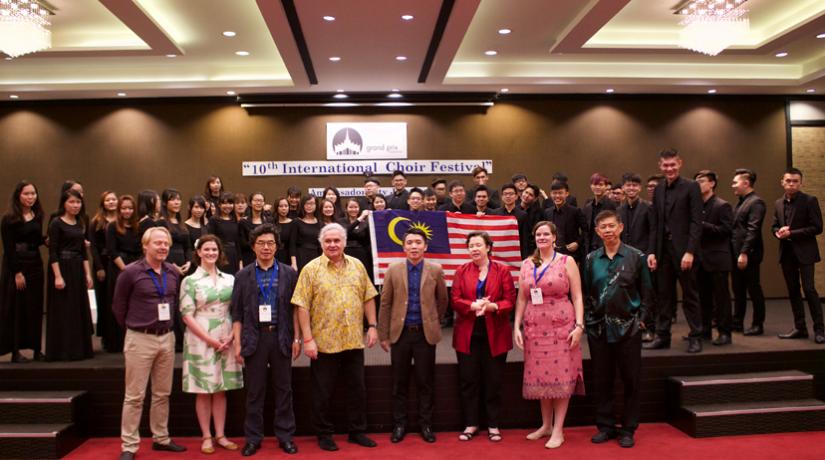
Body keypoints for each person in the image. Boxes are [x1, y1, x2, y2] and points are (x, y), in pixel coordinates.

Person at [292, 223, 379, 452]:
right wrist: (307, 339)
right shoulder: (310, 269)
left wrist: (372, 325)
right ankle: (324, 433)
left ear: (343, 242)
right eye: (328, 241)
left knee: (357, 389)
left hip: (352, 340)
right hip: (323, 343)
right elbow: (301, 306)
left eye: (336, 241)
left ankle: (357, 431)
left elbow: (368, 296)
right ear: (321, 244)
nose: (332, 245)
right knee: (322, 393)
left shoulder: (357, 266)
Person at [113, 226, 186, 459]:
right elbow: (118, 307)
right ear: (145, 245)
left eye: (166, 243)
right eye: (158, 243)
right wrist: (135, 328)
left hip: (166, 338)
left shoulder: (173, 272)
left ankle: (161, 438)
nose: (163, 247)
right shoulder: (130, 272)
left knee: (162, 393)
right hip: (139, 338)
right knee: (134, 396)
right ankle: (129, 445)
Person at [582, 210, 653, 449]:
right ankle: (606, 426)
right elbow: (585, 292)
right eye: (603, 227)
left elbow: (647, 292)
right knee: (602, 380)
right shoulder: (591, 259)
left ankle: (629, 428)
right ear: (597, 232)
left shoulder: (636, 257)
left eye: (612, 226)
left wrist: (641, 320)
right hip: (598, 330)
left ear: (621, 227)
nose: (608, 230)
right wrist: (588, 320)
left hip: (628, 329)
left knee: (631, 380)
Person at [230, 224, 300, 456]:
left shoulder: (289, 273)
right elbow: (237, 313)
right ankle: (253, 438)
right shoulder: (243, 275)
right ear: (253, 246)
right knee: (254, 392)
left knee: (284, 389)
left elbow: (296, 310)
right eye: (261, 243)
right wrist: (238, 344)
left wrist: (297, 338)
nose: (266, 247)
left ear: (277, 246)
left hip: (281, 336)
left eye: (271, 243)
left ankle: (285, 436)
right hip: (254, 338)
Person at [514, 221, 584, 449]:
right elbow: (522, 298)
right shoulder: (526, 264)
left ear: (555, 237)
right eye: (538, 234)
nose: (542, 237)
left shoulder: (567, 261)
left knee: (561, 377)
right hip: (534, 327)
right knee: (542, 376)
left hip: (562, 325)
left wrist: (579, 325)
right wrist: (516, 327)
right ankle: (545, 425)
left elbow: (578, 296)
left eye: (546, 234)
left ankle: (558, 430)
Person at [378, 228, 448, 444]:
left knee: (425, 382)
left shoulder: (436, 270)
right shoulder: (393, 269)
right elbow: (386, 302)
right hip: (400, 335)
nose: (414, 246)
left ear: (425, 246)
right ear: (404, 246)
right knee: (399, 382)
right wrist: (383, 334)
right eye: (410, 242)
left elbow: (443, 300)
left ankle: (426, 424)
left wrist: (432, 320)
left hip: (425, 335)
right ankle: (400, 425)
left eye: (418, 242)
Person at [451, 231, 516, 443]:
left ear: (488, 247)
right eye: (471, 246)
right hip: (468, 334)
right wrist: (471, 305)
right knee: (468, 380)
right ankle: (471, 424)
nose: (474, 249)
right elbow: (455, 299)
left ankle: (493, 424)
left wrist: (493, 306)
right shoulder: (461, 271)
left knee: (493, 381)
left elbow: (510, 300)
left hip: (495, 334)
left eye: (479, 245)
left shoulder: (502, 270)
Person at [180, 235, 242, 454]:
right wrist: (210, 340)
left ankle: (221, 435)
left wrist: (231, 338)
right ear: (198, 252)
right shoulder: (190, 281)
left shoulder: (230, 279)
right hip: (200, 339)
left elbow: (237, 310)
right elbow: (187, 316)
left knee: (221, 389)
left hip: (226, 336)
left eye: (214, 249)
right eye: (206, 249)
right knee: (204, 389)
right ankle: (206, 436)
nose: (210, 253)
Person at [645, 149, 704, 353]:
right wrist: (651, 252)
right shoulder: (659, 189)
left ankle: (696, 336)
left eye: (673, 165)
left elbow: (697, 222)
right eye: (665, 165)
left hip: (685, 252)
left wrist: (690, 251)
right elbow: (655, 224)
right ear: (660, 166)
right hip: (663, 252)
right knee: (664, 296)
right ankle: (663, 336)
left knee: (690, 295)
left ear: (680, 163)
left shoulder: (692, 186)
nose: (669, 169)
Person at [772, 167, 824, 343]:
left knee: (809, 290)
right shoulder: (778, 203)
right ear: (782, 182)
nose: (791, 184)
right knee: (793, 291)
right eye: (788, 181)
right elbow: (774, 226)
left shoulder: (810, 200)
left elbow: (817, 227)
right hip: (787, 253)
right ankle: (800, 328)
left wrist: (792, 233)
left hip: (806, 253)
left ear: (801, 183)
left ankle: (820, 330)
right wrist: (778, 232)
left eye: (795, 181)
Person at [45, 188, 94, 361]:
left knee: (77, 308)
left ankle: (79, 349)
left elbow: (82, 252)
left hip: (77, 268)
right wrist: (57, 276)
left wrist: (88, 274)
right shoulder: (56, 223)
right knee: (64, 309)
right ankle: (62, 351)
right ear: (64, 204)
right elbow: (53, 252)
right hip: (62, 268)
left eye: (78, 202)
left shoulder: (80, 223)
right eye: (71, 202)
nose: (75, 205)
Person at [1, 181, 45, 362]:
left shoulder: (37, 215)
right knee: (16, 308)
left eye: (33, 193)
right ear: (18, 195)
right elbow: (9, 248)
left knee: (34, 307)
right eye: (27, 194)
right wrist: (17, 272)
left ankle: (36, 349)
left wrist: (47, 240)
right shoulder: (9, 218)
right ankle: (15, 351)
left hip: (35, 263)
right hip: (17, 266)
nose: (30, 197)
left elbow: (34, 240)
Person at [694, 171, 733, 346]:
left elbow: (726, 230)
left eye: (701, 181)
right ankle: (705, 331)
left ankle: (725, 333)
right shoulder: (695, 206)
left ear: (712, 184)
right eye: (696, 181)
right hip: (700, 258)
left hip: (718, 258)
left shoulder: (722, 205)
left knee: (721, 299)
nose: (698, 184)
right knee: (703, 297)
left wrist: (702, 225)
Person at [617, 173, 655, 341]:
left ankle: (649, 328)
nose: (631, 188)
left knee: (646, 294)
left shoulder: (648, 207)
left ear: (639, 188)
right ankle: (631, 327)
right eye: (628, 185)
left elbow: (653, 232)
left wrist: (651, 253)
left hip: (644, 257)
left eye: (634, 185)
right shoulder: (619, 210)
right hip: (625, 257)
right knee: (627, 293)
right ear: (623, 188)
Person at [730, 168, 767, 336]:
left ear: (746, 183)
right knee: (738, 290)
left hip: (748, 254)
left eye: (735, 182)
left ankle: (758, 324)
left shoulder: (756, 202)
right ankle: (737, 322)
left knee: (753, 289)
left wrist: (744, 253)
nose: (733, 186)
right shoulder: (741, 202)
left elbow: (753, 230)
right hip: (736, 253)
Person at [105, 195, 141, 353]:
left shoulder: (138, 227)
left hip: (135, 267)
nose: (127, 211)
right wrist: (126, 270)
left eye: (130, 208)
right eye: (124, 208)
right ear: (119, 210)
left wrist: (135, 270)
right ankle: (116, 342)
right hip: (119, 268)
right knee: (119, 303)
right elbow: (112, 251)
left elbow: (141, 250)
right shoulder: (112, 226)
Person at [90, 191, 118, 351]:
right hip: (102, 264)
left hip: (116, 263)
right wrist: (99, 267)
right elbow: (93, 247)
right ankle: (106, 336)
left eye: (114, 199)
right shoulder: (96, 222)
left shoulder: (121, 220)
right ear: (103, 203)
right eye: (108, 200)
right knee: (104, 301)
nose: (111, 202)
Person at [543, 181, 586, 263]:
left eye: (560, 193)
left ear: (566, 194)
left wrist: (577, 243)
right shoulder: (547, 212)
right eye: (554, 193)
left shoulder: (575, 211)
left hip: (571, 254)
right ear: (551, 194)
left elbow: (586, 230)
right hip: (552, 254)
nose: (557, 196)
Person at [583, 173, 617, 255]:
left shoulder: (611, 205)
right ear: (591, 186)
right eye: (595, 184)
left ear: (606, 187)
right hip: (589, 249)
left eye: (601, 185)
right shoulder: (588, 207)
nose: (597, 187)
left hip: (606, 247)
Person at [207, 192, 241, 274]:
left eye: (230, 203)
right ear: (219, 205)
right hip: (220, 255)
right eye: (224, 203)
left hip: (234, 255)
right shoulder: (213, 220)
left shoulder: (235, 220)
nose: (228, 206)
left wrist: (240, 261)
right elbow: (211, 240)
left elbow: (238, 242)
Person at [160, 189, 191, 276]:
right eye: (172, 199)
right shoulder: (161, 222)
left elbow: (188, 247)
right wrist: (173, 266)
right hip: (167, 265)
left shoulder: (181, 224)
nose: (176, 202)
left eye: (178, 199)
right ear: (165, 203)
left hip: (184, 266)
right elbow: (161, 248)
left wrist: (188, 262)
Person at [340, 199, 373, 281]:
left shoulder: (366, 222)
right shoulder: (341, 221)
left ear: (359, 208)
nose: (353, 209)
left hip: (362, 254)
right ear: (346, 209)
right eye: (351, 207)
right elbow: (345, 232)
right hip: (346, 253)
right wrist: (360, 218)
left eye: (356, 207)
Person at [290, 196, 321, 273]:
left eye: (312, 203)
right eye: (306, 204)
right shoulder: (296, 222)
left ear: (316, 205)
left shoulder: (320, 223)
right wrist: (294, 263)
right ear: (303, 205)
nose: (309, 206)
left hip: (316, 256)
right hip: (301, 256)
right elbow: (292, 244)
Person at [519, 184, 544, 259]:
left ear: (535, 199)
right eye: (526, 192)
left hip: (531, 250)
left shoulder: (539, 213)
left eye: (530, 195)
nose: (526, 196)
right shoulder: (514, 210)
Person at [184, 195, 209, 263]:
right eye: (196, 207)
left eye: (201, 207)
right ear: (190, 207)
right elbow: (186, 248)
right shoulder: (184, 226)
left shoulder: (205, 226)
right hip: (191, 262)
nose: (199, 210)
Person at [274, 197, 294, 267]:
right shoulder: (272, 222)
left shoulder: (293, 223)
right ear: (277, 208)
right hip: (273, 255)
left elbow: (292, 244)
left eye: (286, 206)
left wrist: (293, 262)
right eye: (281, 206)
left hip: (287, 256)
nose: (284, 208)